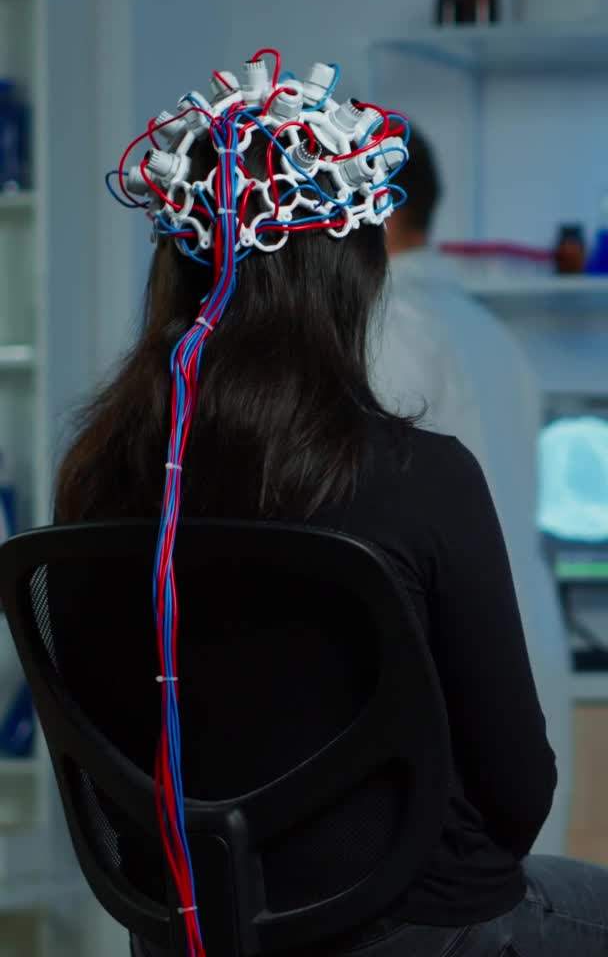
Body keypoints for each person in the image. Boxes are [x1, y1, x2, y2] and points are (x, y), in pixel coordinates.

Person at [54, 53, 607, 956]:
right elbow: (516, 795)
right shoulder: (414, 472)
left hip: (186, 925)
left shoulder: (99, 477)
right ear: (353, 278)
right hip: (411, 925)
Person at [377, 125, 573, 859]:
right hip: (526, 678)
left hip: (455, 698)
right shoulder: (492, 335)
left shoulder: (388, 330)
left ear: (378, 204)